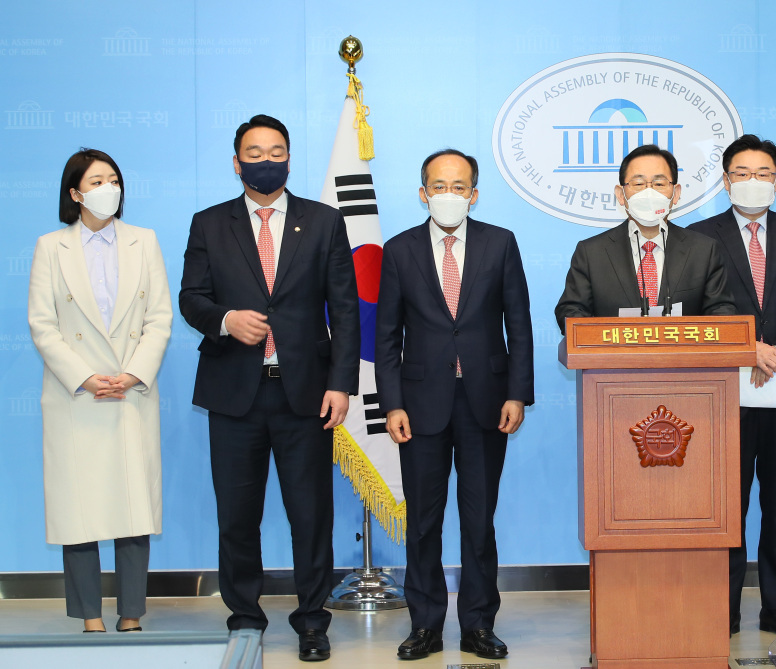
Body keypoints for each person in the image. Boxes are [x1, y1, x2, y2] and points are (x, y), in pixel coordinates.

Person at [178, 114, 360, 662]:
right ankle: (245, 619)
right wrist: (226, 319)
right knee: (237, 514)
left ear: (289, 158)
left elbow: (346, 309)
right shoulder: (209, 223)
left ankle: (312, 620)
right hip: (234, 393)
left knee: (311, 514)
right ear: (237, 163)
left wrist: (342, 384)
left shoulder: (324, 221)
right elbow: (192, 298)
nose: (265, 160)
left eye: (275, 150)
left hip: (304, 393)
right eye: (253, 152)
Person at [376, 149, 534, 661]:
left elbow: (520, 325)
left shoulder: (500, 243)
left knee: (478, 519)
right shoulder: (398, 251)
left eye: (459, 186)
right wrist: (391, 403)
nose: (449, 195)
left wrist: (517, 392)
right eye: (439, 186)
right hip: (419, 406)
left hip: (486, 402)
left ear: (475, 193)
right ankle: (424, 625)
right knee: (423, 521)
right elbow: (386, 337)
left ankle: (478, 626)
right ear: (423, 193)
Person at [687, 134, 776, 638]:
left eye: (764, 172)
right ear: (726, 181)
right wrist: (746, 347)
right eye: (743, 173)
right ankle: (721, 608)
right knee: (726, 507)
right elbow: (697, 308)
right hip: (724, 391)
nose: (754, 181)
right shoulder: (698, 237)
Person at [28, 148, 172, 633]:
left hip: (130, 390)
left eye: (113, 179)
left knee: (132, 507)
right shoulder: (51, 247)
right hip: (77, 396)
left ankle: (131, 613)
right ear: (75, 193)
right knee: (80, 508)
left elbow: (159, 318)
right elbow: (42, 326)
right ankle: (90, 615)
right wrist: (86, 377)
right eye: (96, 181)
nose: (108, 187)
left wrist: (132, 373)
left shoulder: (144, 241)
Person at [554, 144, 736, 330]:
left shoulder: (703, 250)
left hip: (682, 357)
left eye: (659, 184)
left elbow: (721, 310)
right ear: (621, 194)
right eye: (638, 184)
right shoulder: (591, 253)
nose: (649, 193)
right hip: (617, 357)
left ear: (676, 193)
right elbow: (571, 310)